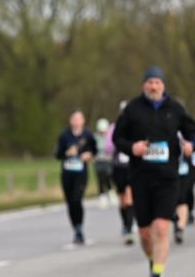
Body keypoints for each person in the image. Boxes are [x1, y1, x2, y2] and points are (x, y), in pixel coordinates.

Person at [113, 66, 195, 277]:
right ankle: (154, 262)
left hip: (167, 177)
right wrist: (132, 147)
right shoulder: (132, 109)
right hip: (140, 177)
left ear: (163, 85)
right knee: (144, 233)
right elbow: (116, 138)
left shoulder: (175, 109)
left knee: (161, 228)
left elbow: (191, 130)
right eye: (150, 82)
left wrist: (191, 145)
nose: (153, 86)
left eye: (157, 82)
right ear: (144, 85)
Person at [55, 111, 98, 245]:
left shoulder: (88, 135)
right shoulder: (64, 135)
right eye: (74, 118)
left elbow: (95, 151)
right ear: (70, 120)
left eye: (79, 119)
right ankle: (75, 228)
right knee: (70, 202)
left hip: (81, 173)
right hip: (67, 173)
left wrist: (88, 155)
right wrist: (67, 153)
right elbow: (57, 154)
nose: (76, 121)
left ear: (83, 121)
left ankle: (80, 228)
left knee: (76, 199)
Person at [107, 101, 135, 245]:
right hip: (118, 166)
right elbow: (109, 147)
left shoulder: (137, 126)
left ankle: (129, 228)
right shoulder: (114, 127)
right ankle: (125, 223)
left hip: (132, 165)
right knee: (122, 198)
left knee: (130, 196)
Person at [174, 131, 195, 244]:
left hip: (184, 167)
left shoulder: (186, 127)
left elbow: (194, 144)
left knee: (182, 197)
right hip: (165, 169)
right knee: (172, 199)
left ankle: (180, 228)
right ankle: (176, 220)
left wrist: (190, 146)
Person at [93, 118, 115, 209]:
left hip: (108, 161)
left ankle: (110, 191)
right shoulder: (95, 137)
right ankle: (102, 196)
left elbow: (113, 148)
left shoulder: (110, 137)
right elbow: (93, 149)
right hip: (99, 161)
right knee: (100, 177)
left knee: (108, 176)